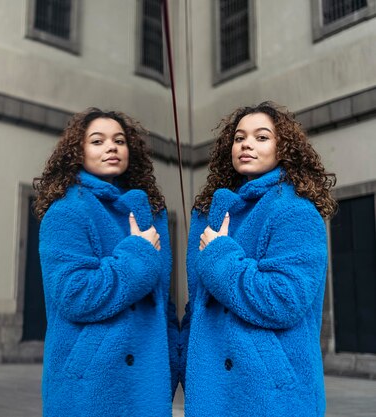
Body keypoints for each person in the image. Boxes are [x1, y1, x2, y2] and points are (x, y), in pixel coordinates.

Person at [180, 101, 337, 416]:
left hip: (271, 394)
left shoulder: (296, 211)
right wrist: (187, 356)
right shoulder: (211, 214)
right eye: (239, 138)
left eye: (261, 137)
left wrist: (220, 255)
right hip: (210, 385)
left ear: (284, 148)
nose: (247, 144)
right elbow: (197, 302)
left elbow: (284, 298)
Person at [33, 108, 179, 416]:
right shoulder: (66, 212)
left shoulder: (147, 213)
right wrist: (137, 254)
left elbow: (160, 303)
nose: (111, 147)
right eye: (97, 141)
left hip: (144, 379)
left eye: (119, 141)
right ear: (78, 152)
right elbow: (75, 294)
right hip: (90, 383)